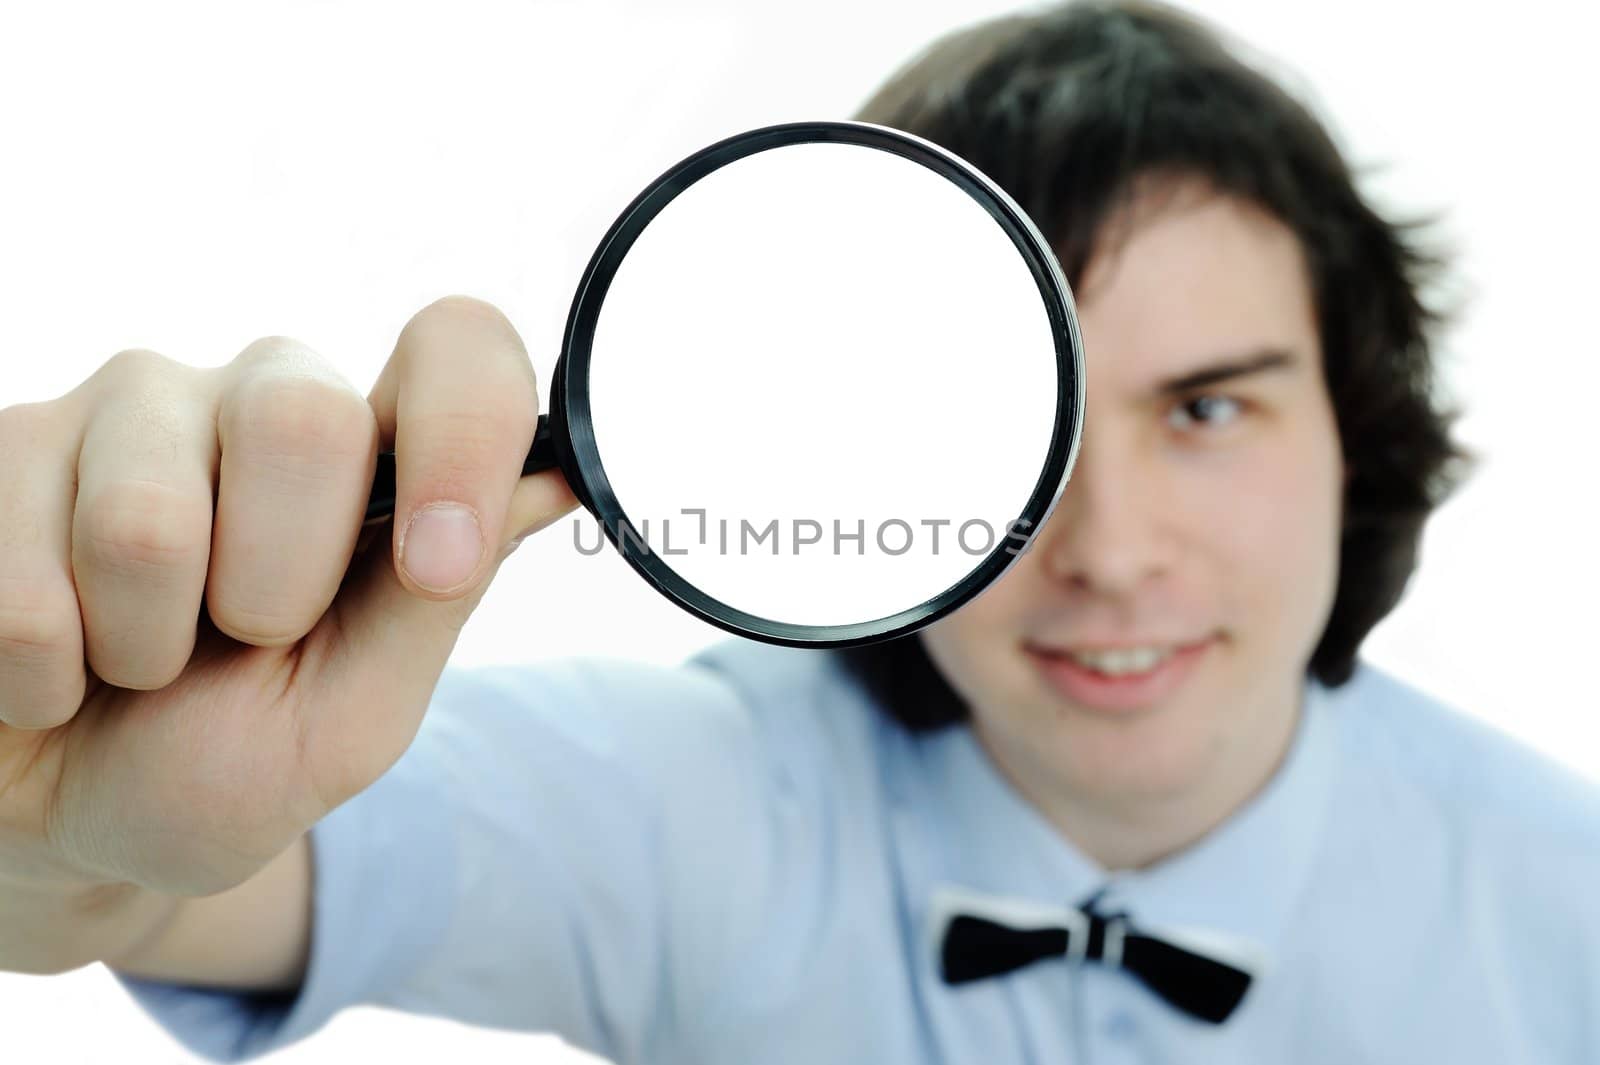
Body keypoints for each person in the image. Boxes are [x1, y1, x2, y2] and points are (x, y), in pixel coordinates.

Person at [2, 1, 1596, 1061]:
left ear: (1353, 435)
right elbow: (132, 893)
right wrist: (61, 828)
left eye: (1205, 409)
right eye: (1008, 427)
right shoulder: (685, 791)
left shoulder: (1569, 900)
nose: (1108, 546)